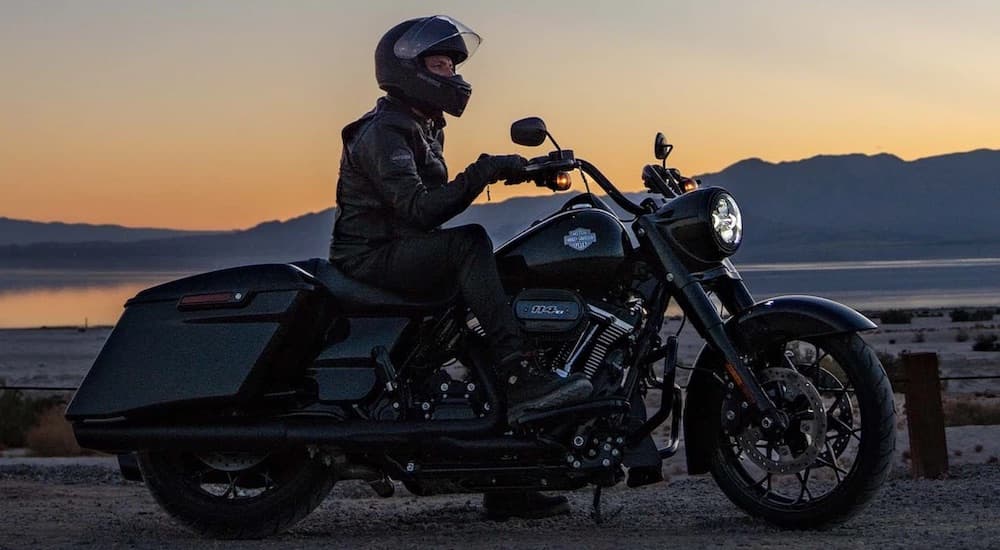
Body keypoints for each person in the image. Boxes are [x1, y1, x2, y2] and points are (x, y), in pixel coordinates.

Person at [328, 15, 592, 519]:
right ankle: (517, 378)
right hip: (371, 257)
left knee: (499, 288)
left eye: (451, 63)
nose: (451, 74)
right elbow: (418, 210)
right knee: (470, 244)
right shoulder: (385, 131)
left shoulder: (421, 125)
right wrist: (484, 171)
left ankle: (510, 480)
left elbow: (432, 202)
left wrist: (524, 172)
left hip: (401, 252)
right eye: (440, 63)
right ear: (407, 70)